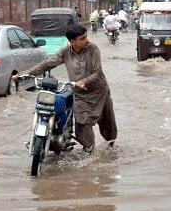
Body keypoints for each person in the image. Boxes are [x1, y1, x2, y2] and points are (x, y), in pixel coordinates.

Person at [19, 25, 117, 153]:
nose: (86, 40)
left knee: (107, 124)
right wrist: (25, 74)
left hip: (99, 91)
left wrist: (84, 81)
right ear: (72, 42)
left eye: (86, 36)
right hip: (80, 94)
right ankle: (89, 150)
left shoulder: (93, 49)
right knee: (82, 124)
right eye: (82, 38)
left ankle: (111, 147)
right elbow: (48, 63)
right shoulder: (65, 52)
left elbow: (97, 72)